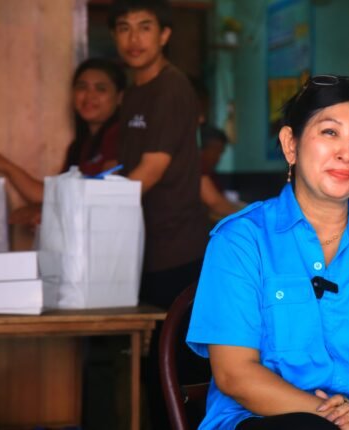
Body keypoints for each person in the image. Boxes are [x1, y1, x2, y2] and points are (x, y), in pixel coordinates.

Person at [187, 75, 349, 430]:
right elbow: (234, 373)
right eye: (330, 132)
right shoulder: (241, 240)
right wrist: (336, 420)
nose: (346, 152)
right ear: (290, 144)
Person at [107, 0, 210, 427]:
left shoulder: (171, 88)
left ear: (165, 35)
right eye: (124, 28)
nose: (134, 39)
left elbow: (149, 172)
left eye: (145, 27)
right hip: (142, 251)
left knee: (176, 379)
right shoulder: (134, 92)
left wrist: (87, 210)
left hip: (176, 252)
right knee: (150, 377)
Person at [0, 57, 126, 224]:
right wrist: (6, 166)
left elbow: (107, 193)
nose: (89, 96)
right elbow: (52, 195)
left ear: (119, 97)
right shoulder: (79, 146)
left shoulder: (118, 135)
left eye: (101, 89)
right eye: (82, 87)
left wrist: (46, 213)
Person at [199, 125, 243, 220]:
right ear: (201, 150)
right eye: (216, 151)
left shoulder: (211, 175)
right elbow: (215, 203)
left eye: (220, 152)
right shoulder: (196, 173)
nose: (218, 157)